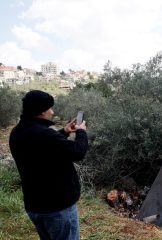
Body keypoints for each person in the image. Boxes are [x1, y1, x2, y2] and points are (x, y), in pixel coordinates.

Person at [9, 90, 88, 240]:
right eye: (49, 109)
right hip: (57, 208)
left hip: (36, 206)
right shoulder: (44, 135)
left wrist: (64, 132)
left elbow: (42, 148)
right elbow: (78, 152)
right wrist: (81, 132)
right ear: (41, 112)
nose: (52, 112)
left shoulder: (17, 132)